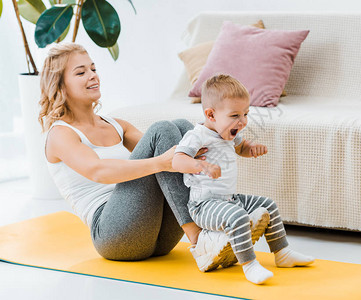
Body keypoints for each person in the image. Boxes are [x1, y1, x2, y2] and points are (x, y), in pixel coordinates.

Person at [38, 43, 266, 268]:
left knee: (183, 128)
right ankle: (199, 239)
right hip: (114, 235)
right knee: (163, 130)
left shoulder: (116, 125)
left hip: (157, 237)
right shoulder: (60, 134)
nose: (92, 76)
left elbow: (169, 147)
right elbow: (99, 172)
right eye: (81, 72)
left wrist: (224, 142)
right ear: (60, 86)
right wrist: (161, 163)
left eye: (94, 69)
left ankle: (212, 219)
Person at [172, 74, 315, 285]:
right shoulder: (197, 136)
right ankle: (249, 265)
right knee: (238, 217)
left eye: (246, 114)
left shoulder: (230, 134)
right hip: (203, 205)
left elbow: (242, 148)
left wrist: (252, 149)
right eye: (235, 115)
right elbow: (177, 161)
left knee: (269, 205)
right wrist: (201, 165)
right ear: (211, 114)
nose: (243, 121)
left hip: (229, 199)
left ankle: (282, 253)